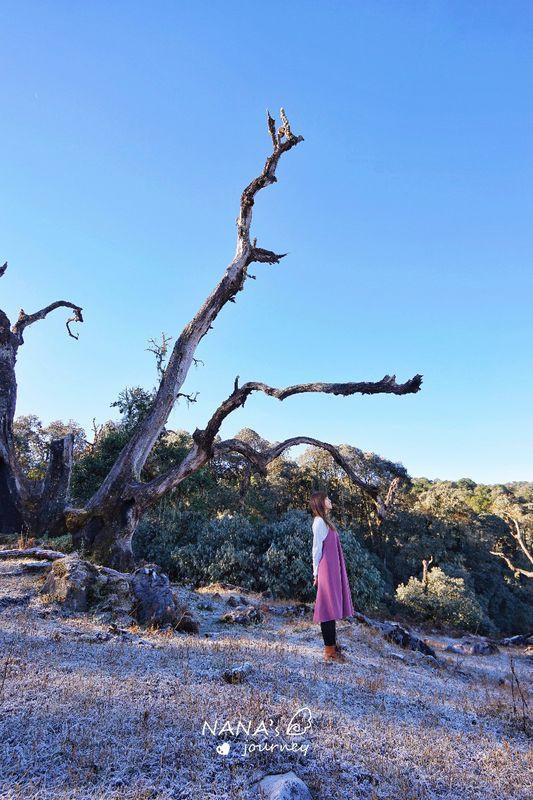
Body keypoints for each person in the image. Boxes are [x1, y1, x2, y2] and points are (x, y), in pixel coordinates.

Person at [310, 490, 354, 663]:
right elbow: (316, 549)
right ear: (320, 502)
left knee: (332, 609)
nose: (329, 500)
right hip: (326, 568)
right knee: (327, 609)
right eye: (327, 498)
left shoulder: (326, 521)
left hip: (333, 567)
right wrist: (316, 573)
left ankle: (333, 649)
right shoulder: (319, 522)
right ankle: (329, 652)